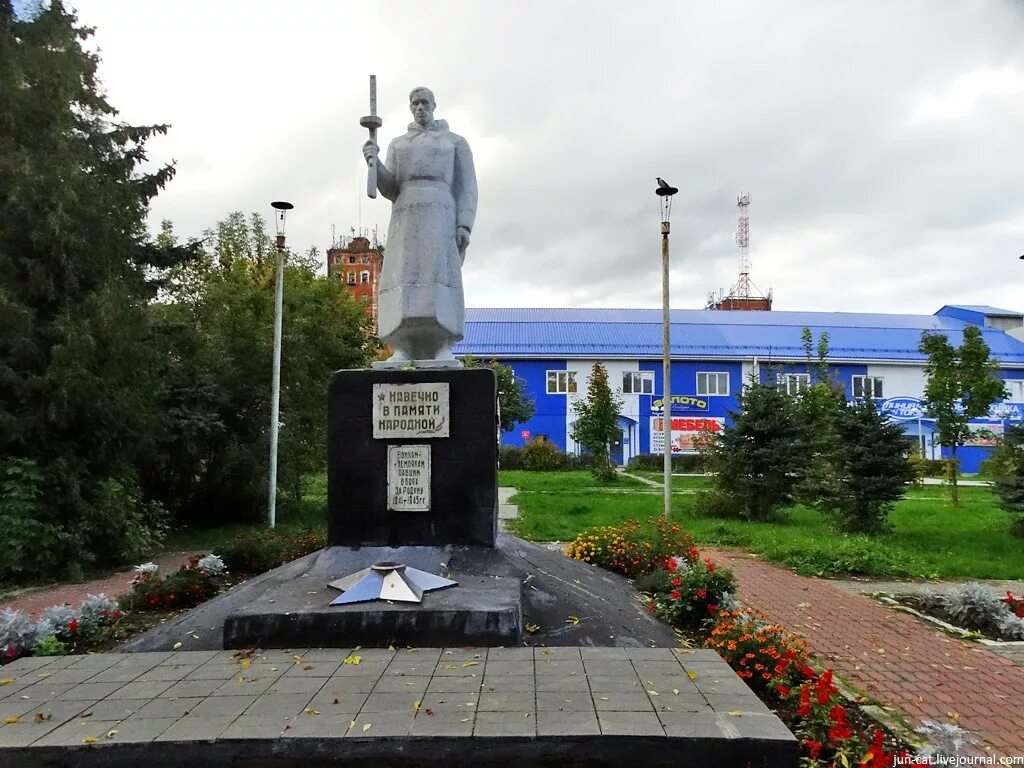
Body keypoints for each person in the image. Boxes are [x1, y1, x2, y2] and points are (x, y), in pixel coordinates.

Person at [362, 87, 478, 363]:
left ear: (434, 104)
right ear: (410, 108)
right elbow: (390, 187)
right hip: (405, 216)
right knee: (404, 280)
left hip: (441, 214)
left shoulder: (454, 142)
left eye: (424, 102)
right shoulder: (399, 144)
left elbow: (467, 187)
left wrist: (464, 224)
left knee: (439, 278)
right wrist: (374, 163)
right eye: (415, 103)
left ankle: (441, 343)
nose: (420, 107)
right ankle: (404, 344)